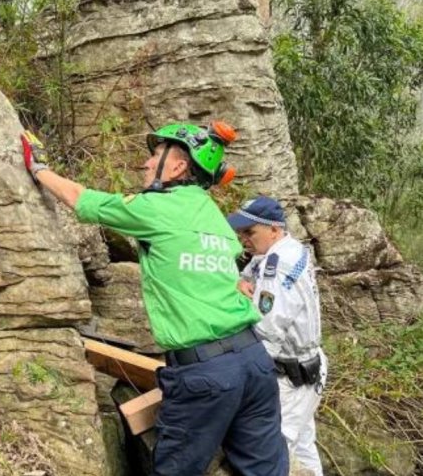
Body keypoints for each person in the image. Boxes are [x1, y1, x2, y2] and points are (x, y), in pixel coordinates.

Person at [21, 123, 289, 476]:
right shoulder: (214, 217)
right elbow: (221, 271)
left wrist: (37, 169)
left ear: (178, 167)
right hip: (254, 363)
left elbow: (81, 199)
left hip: (205, 373)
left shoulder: (155, 208)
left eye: (155, 156)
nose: (146, 164)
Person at [229, 196, 326, 476]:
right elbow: (246, 277)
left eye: (250, 232)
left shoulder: (276, 263)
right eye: (241, 232)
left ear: (274, 229)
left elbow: (267, 329)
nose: (244, 239)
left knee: (275, 450)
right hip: (307, 364)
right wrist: (239, 283)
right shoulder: (288, 249)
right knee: (305, 446)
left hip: (292, 374)